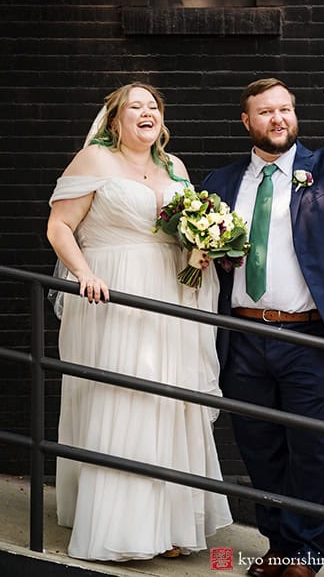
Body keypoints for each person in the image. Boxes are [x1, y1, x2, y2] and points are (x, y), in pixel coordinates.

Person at [202, 78, 324, 577]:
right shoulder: (220, 183)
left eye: (285, 109)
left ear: (295, 115)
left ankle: (306, 555)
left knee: (309, 446)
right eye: (265, 112)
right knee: (258, 446)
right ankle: (279, 544)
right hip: (243, 336)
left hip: (311, 337)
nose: (278, 118)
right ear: (246, 121)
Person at [46, 81, 232, 561]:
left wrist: (198, 251)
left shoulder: (174, 168)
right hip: (113, 294)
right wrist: (84, 273)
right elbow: (59, 226)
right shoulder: (94, 161)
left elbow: (179, 233)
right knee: (125, 394)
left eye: (153, 107)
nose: (146, 113)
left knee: (167, 399)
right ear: (115, 120)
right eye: (136, 107)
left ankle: (169, 525)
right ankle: (123, 528)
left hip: (171, 294)